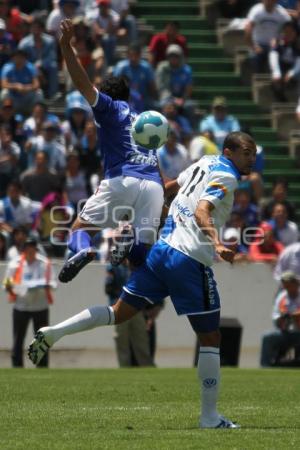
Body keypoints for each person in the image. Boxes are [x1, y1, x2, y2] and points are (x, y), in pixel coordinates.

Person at [29, 131, 257, 429]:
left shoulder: (205, 162)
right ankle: (210, 418)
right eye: (247, 153)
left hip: (162, 251)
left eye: (253, 153)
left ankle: (54, 332)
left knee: (118, 313)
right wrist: (216, 243)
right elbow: (203, 210)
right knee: (211, 338)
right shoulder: (227, 175)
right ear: (229, 153)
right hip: (188, 258)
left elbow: (169, 188)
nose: (252, 159)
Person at [56, 19, 164, 284]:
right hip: (153, 186)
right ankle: (131, 244)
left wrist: (66, 46)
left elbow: (82, 83)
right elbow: (160, 174)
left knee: (79, 230)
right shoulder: (143, 121)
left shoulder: (110, 108)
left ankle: (84, 249)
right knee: (139, 257)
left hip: (121, 178)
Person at [3, 237, 56, 367]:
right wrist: (14, 286)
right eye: (27, 248)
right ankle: (17, 366)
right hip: (21, 306)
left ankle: (42, 365)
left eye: (33, 248)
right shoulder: (14, 264)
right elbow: (6, 284)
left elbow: (54, 283)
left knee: (41, 339)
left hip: (40, 306)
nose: (30, 251)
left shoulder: (45, 263)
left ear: (36, 249)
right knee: (18, 338)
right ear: (24, 249)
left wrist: (45, 285)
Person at [105, 257, 154, 367]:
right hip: (120, 308)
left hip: (136, 309)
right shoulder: (113, 267)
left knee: (142, 340)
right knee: (122, 340)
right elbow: (108, 288)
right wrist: (125, 297)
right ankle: (124, 367)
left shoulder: (136, 267)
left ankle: (148, 367)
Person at [260, 271, 300, 367]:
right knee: (267, 337)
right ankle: (265, 366)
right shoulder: (282, 296)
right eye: (285, 286)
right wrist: (281, 318)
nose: (287, 288)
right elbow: (275, 316)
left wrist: (294, 316)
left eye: (290, 285)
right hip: (285, 332)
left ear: (296, 284)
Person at [18, 15, 59, 99]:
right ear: (30, 29)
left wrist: (40, 64)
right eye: (33, 28)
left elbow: (52, 57)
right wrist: (34, 68)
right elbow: (20, 59)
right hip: (28, 66)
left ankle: (53, 95)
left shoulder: (50, 41)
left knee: (53, 66)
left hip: (45, 65)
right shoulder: (24, 43)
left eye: (38, 28)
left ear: (42, 29)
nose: (36, 30)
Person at [245, 0, 291, 73]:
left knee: (286, 57)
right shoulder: (256, 10)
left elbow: (290, 31)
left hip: (274, 46)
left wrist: (279, 40)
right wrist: (254, 46)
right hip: (258, 44)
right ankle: (258, 80)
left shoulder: (282, 13)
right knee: (254, 58)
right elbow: (248, 29)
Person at [113, 42, 156, 111]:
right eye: (131, 55)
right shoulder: (121, 67)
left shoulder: (146, 67)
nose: (133, 58)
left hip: (144, 100)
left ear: (140, 55)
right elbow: (115, 85)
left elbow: (152, 87)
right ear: (127, 55)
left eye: (136, 55)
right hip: (125, 101)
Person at [0, 48, 43, 115]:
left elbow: (37, 85)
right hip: (13, 99)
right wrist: (16, 86)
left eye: (21, 57)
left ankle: (36, 115)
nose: (19, 59)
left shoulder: (30, 67)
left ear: (25, 59)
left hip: (27, 97)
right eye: (17, 57)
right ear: (12, 58)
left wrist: (26, 88)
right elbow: (3, 85)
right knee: (4, 93)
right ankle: (7, 116)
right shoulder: (7, 67)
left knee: (39, 93)